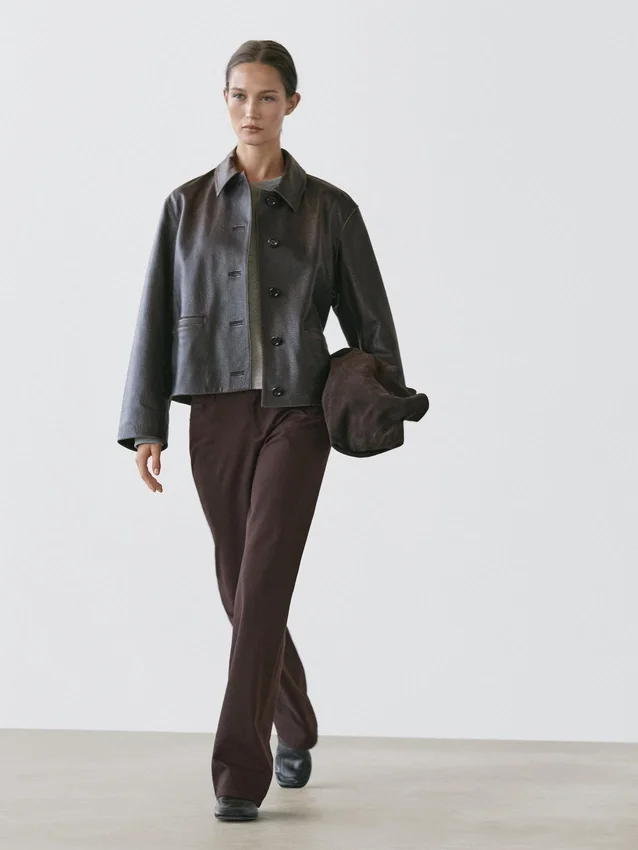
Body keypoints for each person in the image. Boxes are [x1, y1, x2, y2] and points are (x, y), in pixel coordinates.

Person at [117, 39, 406, 823]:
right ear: (226, 101)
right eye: (240, 95)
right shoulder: (186, 205)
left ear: (292, 105)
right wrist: (146, 423)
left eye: (268, 97)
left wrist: (374, 399)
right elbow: (154, 315)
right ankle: (296, 722)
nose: (253, 110)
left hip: (298, 413)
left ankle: (238, 773)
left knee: (267, 576)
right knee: (238, 583)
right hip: (214, 410)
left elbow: (374, 328)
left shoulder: (331, 210)